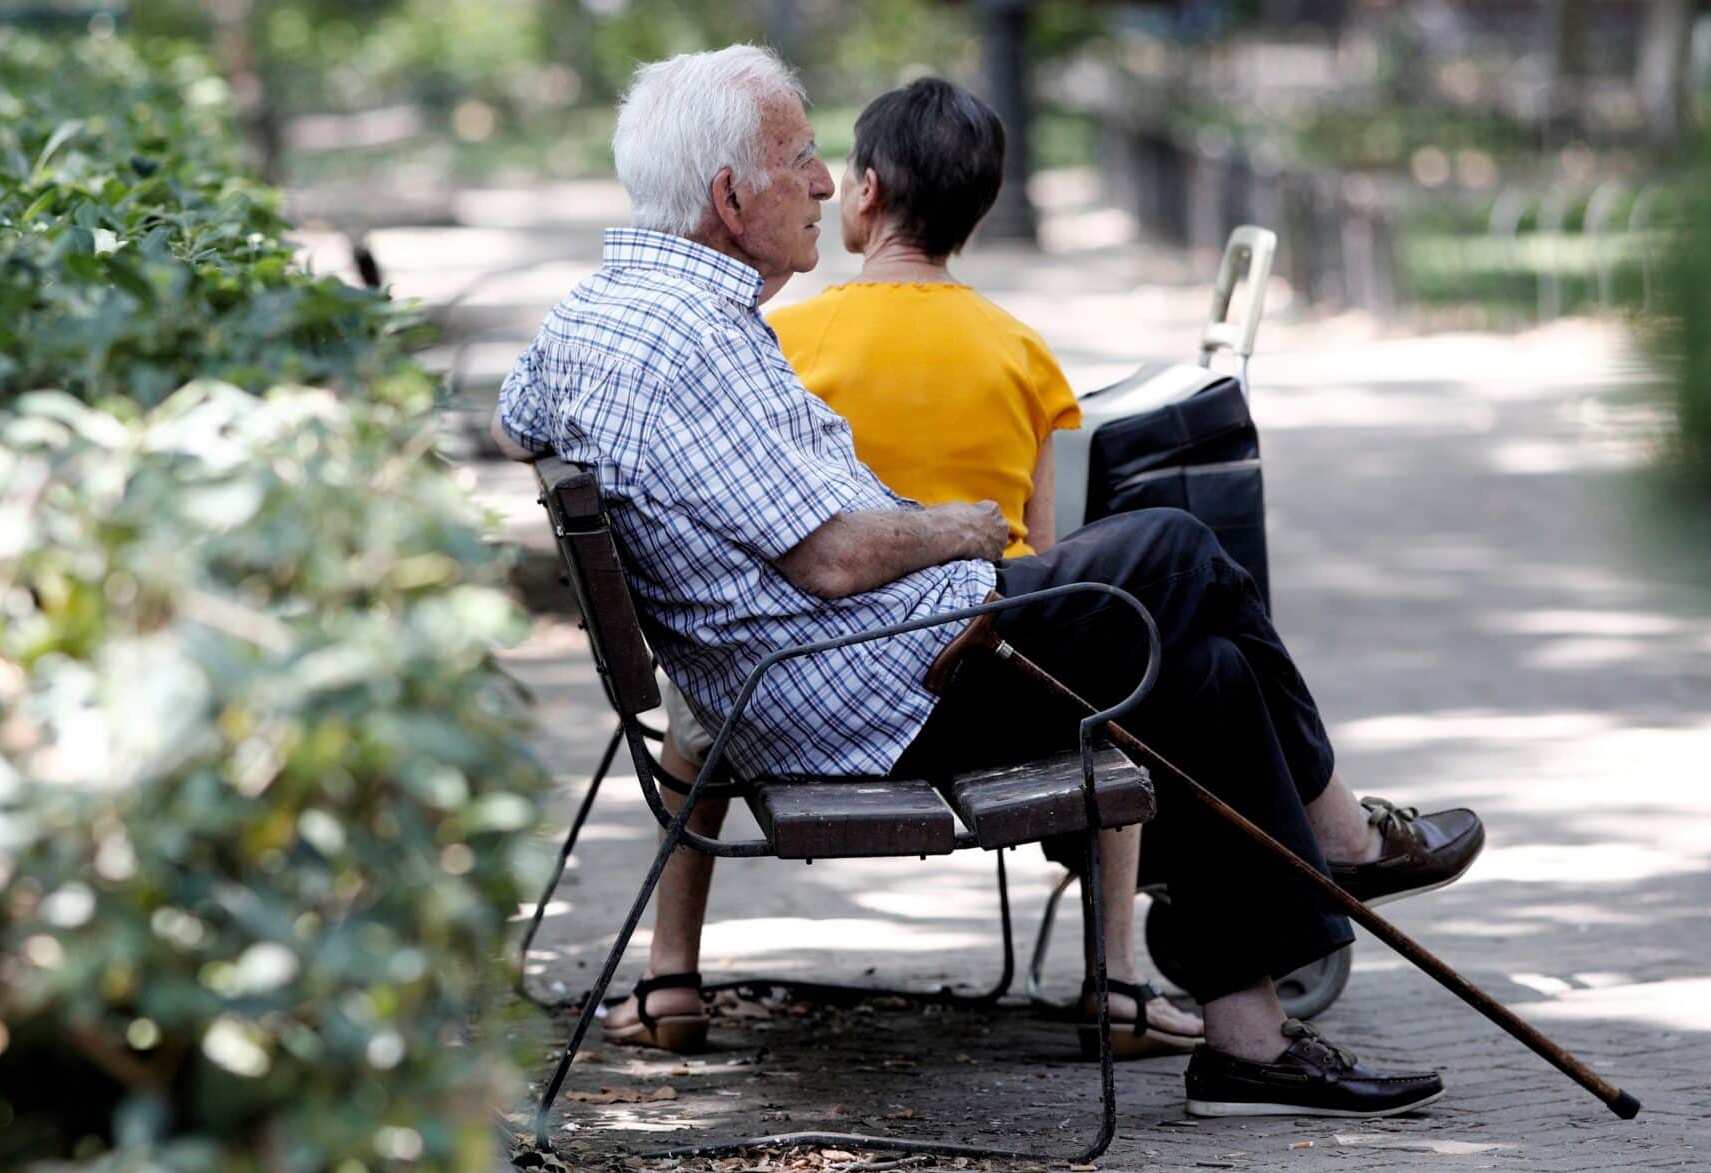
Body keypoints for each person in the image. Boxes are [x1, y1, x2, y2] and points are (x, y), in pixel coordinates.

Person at [493, 45, 1485, 1118]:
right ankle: (1339, 835)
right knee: (1178, 547)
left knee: (1198, 670)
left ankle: (1245, 1043)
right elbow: (826, 559)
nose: (825, 183)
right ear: (730, 196)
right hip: (875, 692)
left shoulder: (597, 314)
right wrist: (957, 529)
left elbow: (514, 418)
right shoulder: (691, 343)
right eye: (800, 159)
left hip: (852, 669)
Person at [639, 75, 1208, 1058]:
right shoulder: (1022, 353)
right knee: (1116, 653)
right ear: (979, 210)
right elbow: (1045, 549)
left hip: (793, 706)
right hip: (983, 691)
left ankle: (667, 972)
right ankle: (1115, 977)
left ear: (862, 193)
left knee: (687, 703)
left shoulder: (782, 340)